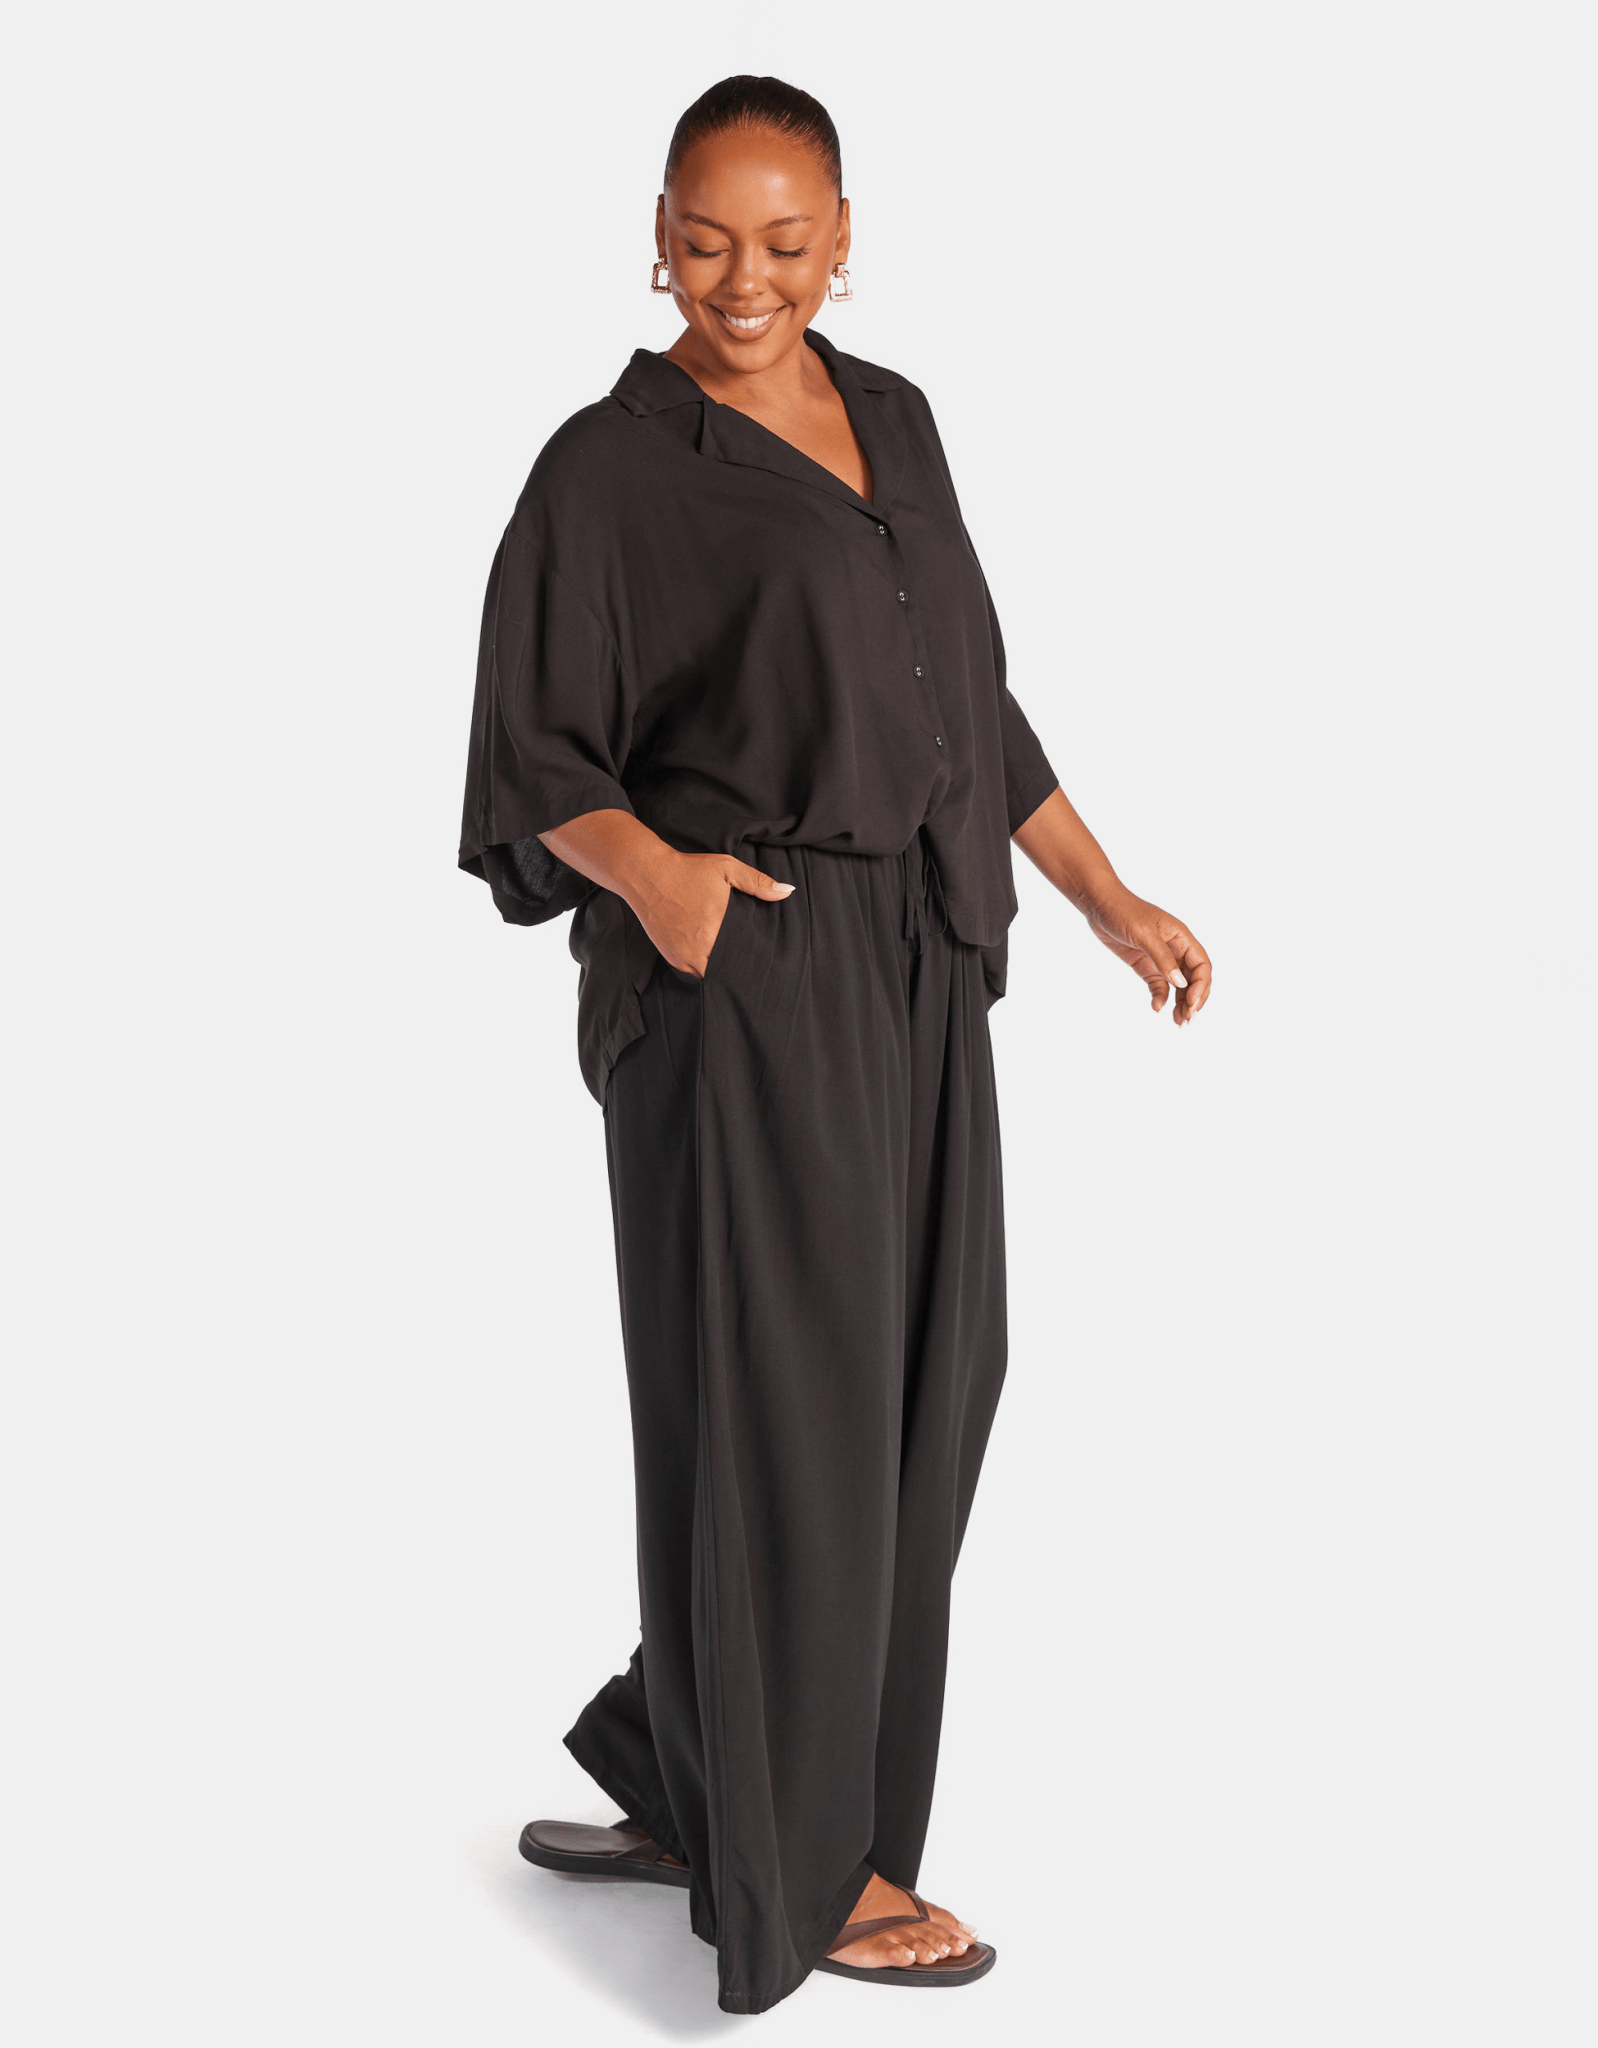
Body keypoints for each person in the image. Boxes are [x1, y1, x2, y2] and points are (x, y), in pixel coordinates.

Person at [459, 75, 1212, 2015]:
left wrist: (1103, 892)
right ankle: (827, 1861)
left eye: (787, 242)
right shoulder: (605, 472)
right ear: (657, 234)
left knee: (931, 1385)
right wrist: (666, 883)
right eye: (709, 239)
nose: (746, 279)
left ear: (845, 239)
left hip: (925, 955)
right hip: (748, 972)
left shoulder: (898, 418)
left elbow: (965, 695)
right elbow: (533, 756)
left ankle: (687, 1765)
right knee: (786, 1406)